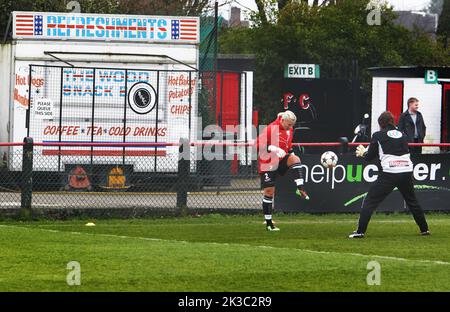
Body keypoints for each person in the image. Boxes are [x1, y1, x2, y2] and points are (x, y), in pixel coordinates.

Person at [349, 111, 430, 238]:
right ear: (393, 122)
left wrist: (363, 153)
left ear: (380, 124)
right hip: (406, 170)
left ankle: (360, 232)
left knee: (369, 201)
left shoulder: (378, 135)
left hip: (390, 173)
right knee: (412, 201)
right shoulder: (403, 135)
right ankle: (424, 229)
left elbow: (370, 157)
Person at [257, 110, 309, 232]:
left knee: (295, 159)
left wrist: (290, 152)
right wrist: (272, 147)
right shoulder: (271, 128)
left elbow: (288, 147)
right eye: (289, 124)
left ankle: (300, 188)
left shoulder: (289, 130)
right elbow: (257, 144)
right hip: (268, 162)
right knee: (269, 192)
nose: (290, 127)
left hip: (281, 160)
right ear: (282, 120)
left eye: (292, 125)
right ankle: (269, 223)